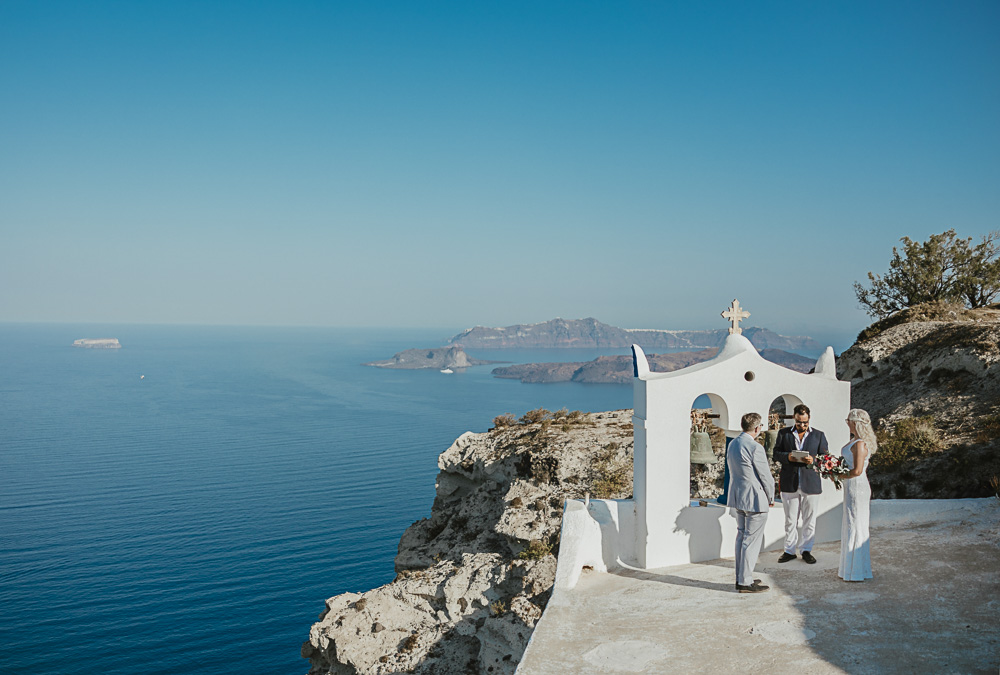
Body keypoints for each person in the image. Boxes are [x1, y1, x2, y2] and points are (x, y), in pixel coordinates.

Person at [773, 404, 829, 564]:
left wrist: (814, 460)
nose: (802, 426)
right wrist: (788, 457)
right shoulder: (783, 434)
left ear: (809, 419)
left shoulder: (819, 435)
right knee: (790, 520)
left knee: (809, 519)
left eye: (805, 422)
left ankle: (806, 550)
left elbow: (826, 458)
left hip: (811, 483)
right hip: (789, 482)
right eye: (799, 422)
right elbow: (775, 453)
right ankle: (789, 551)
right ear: (794, 418)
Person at [727, 412, 775, 593]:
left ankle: (742, 576)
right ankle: (745, 582)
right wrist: (770, 496)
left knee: (741, 537)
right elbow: (765, 475)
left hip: (738, 496)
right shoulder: (755, 447)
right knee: (751, 541)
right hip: (755, 498)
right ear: (757, 428)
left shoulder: (732, 444)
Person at [838, 408, 875, 581]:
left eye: (849, 421)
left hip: (857, 487)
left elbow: (858, 470)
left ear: (855, 423)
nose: (847, 423)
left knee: (855, 524)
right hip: (850, 486)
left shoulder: (860, 444)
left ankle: (856, 571)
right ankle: (850, 569)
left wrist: (837, 475)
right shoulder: (854, 441)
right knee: (850, 523)